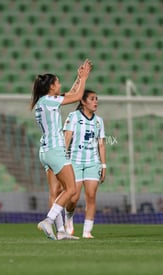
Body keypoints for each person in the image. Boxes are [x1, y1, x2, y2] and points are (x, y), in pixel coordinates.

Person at [31, 59, 93, 240]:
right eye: (57, 82)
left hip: (45, 151)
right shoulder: (50, 101)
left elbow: (71, 93)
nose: (59, 85)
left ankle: (60, 232)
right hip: (55, 150)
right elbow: (78, 95)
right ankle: (48, 221)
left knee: (55, 193)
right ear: (51, 86)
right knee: (71, 189)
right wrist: (84, 78)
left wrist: (78, 77)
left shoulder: (43, 102)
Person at [63, 89, 106, 238]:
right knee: (73, 198)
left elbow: (101, 144)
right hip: (74, 162)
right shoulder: (73, 117)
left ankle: (87, 231)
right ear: (83, 101)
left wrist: (103, 165)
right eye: (92, 99)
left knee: (91, 195)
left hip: (93, 163)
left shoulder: (99, 121)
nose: (96, 102)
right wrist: (62, 161)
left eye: (97, 99)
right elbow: (67, 138)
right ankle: (68, 216)